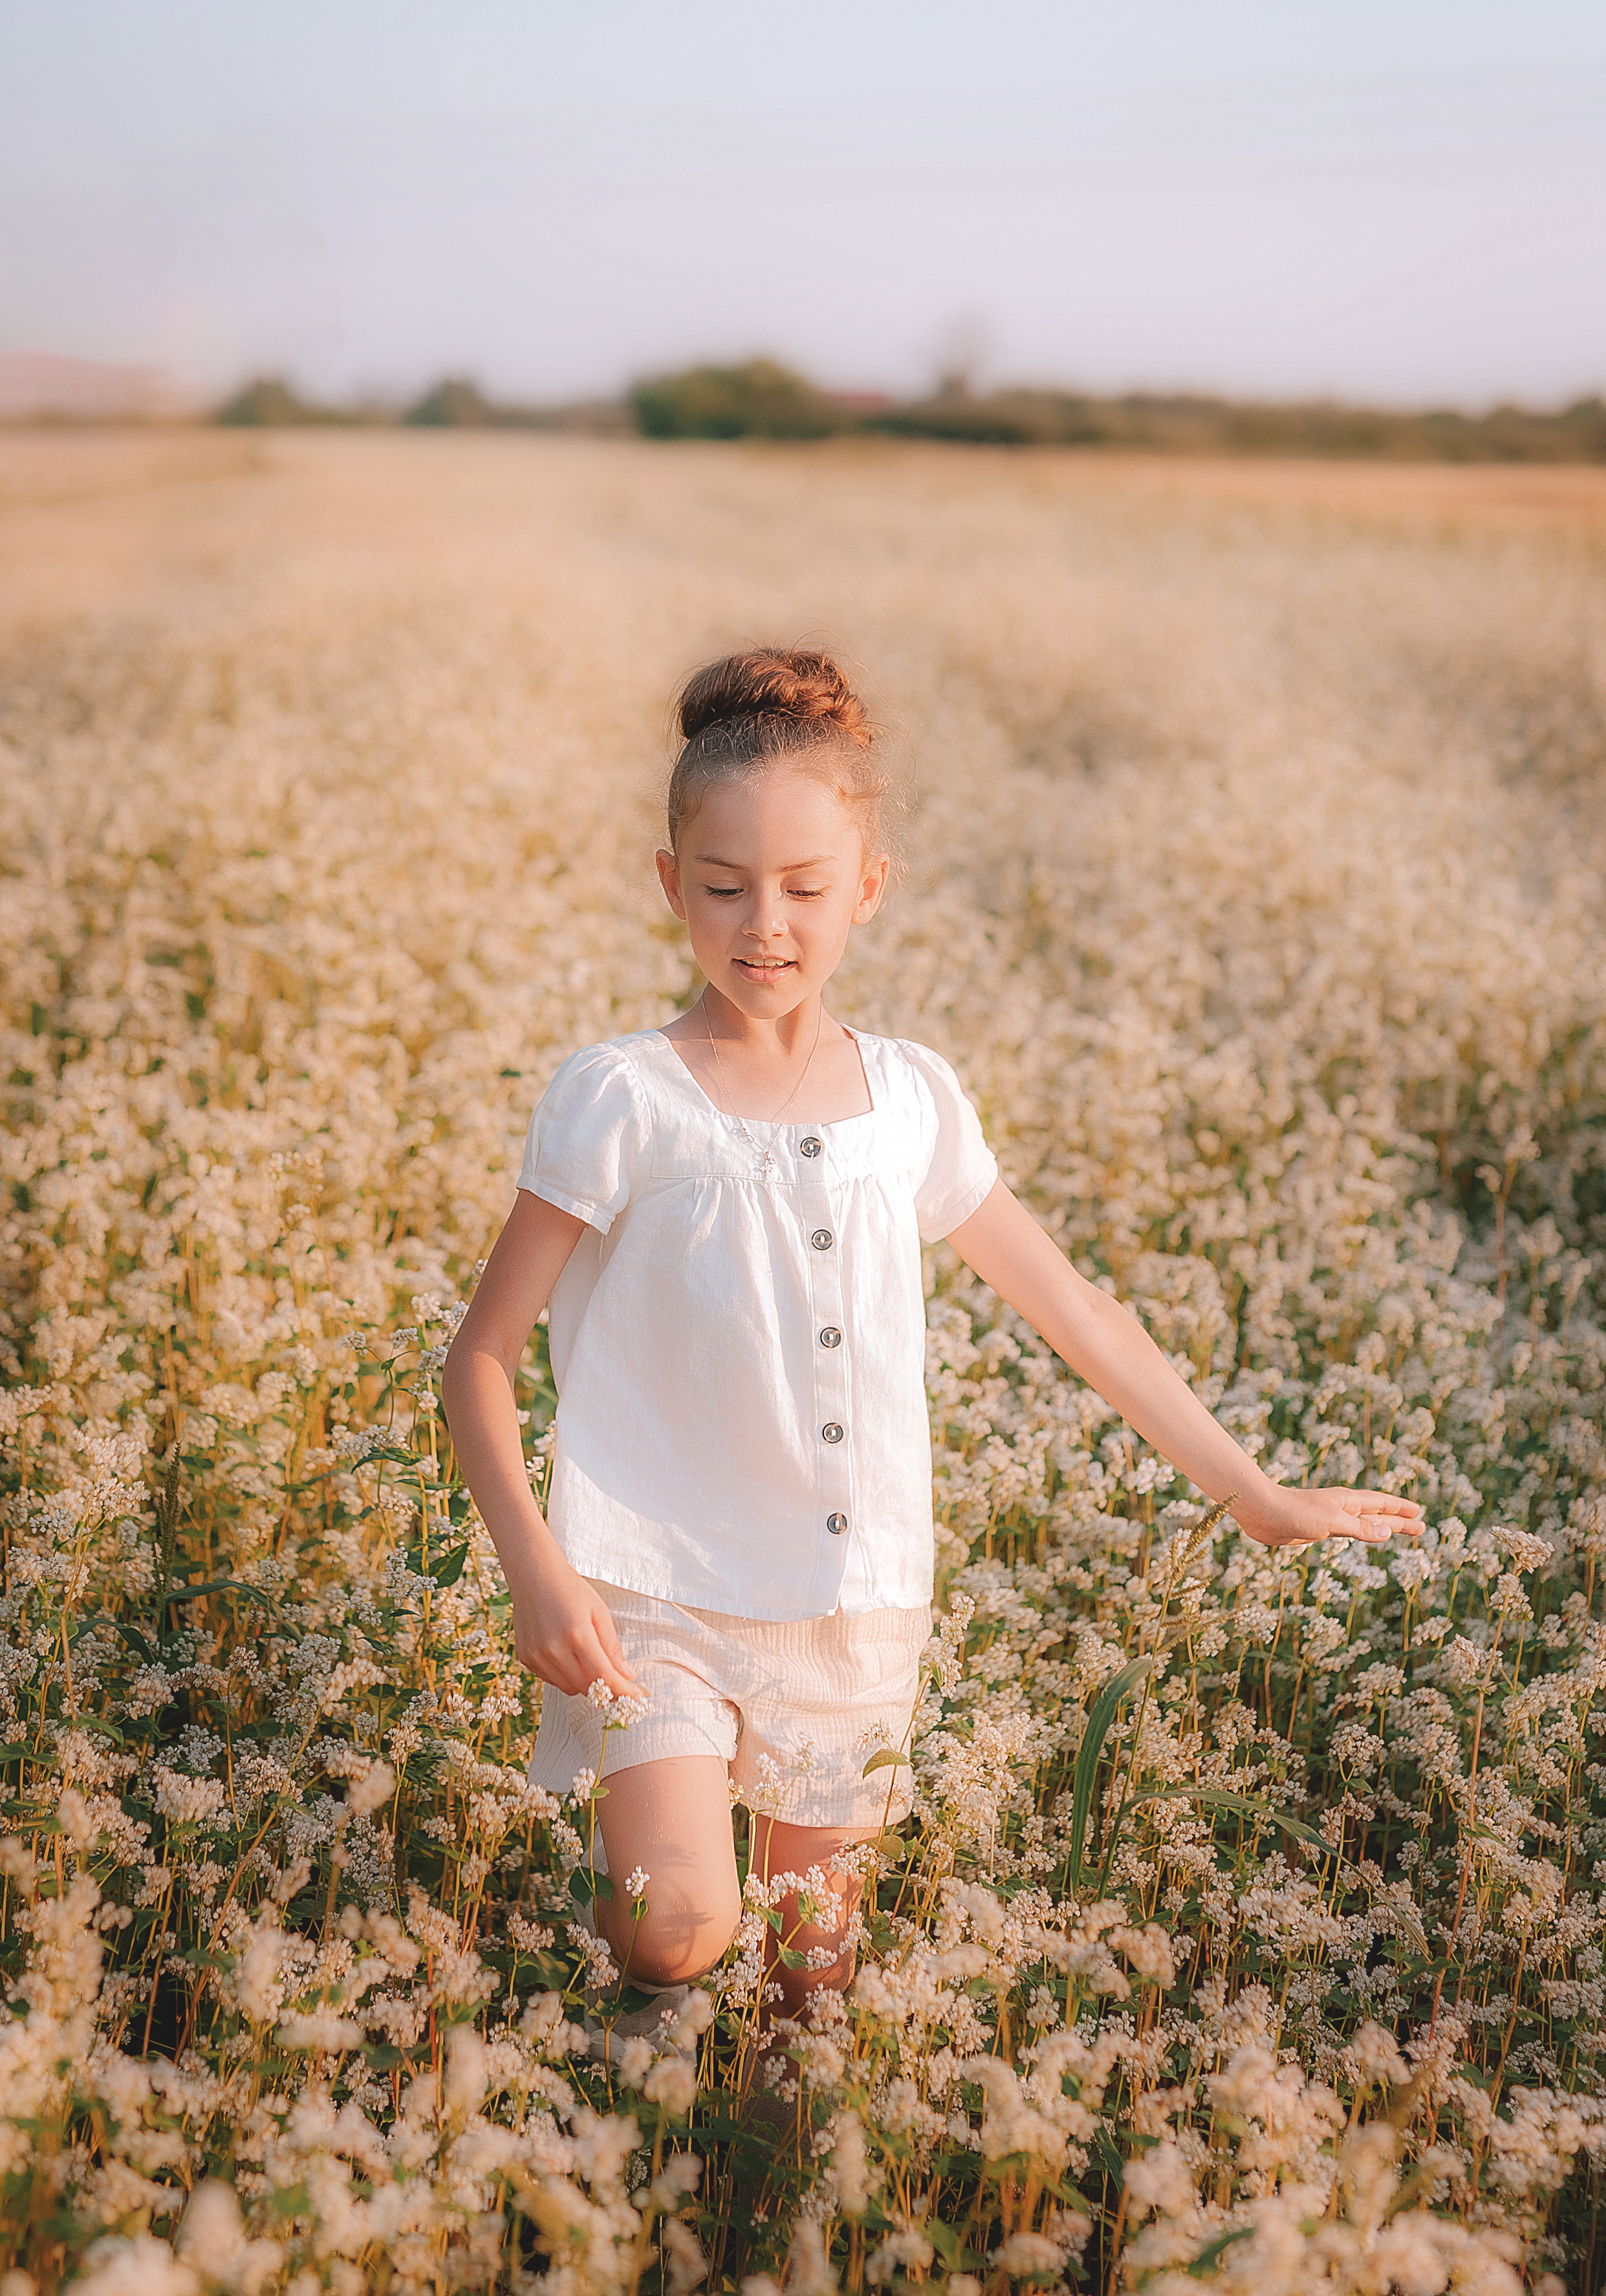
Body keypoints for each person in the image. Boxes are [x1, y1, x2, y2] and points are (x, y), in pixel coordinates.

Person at [440, 646, 1424, 2047]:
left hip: (852, 1593)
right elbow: (478, 1358)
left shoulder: (911, 1099)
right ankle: (628, 2040)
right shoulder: (621, 1097)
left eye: (804, 888)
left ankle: (751, 2159)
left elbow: (1077, 1313)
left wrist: (1252, 1495)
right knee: (680, 1925)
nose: (764, 925)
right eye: (723, 887)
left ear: (870, 887)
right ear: (669, 885)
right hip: (647, 1589)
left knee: (811, 1981)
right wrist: (535, 1568)